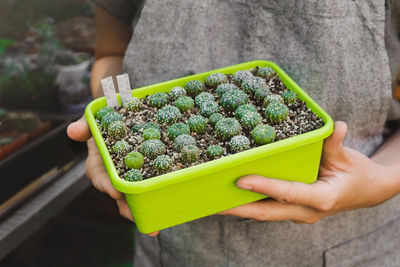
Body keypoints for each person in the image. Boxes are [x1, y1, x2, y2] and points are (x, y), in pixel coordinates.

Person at [67, 0, 400, 266]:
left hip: (350, 243)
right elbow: (110, 54)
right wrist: (113, 125)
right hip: (170, 246)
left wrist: (382, 179)